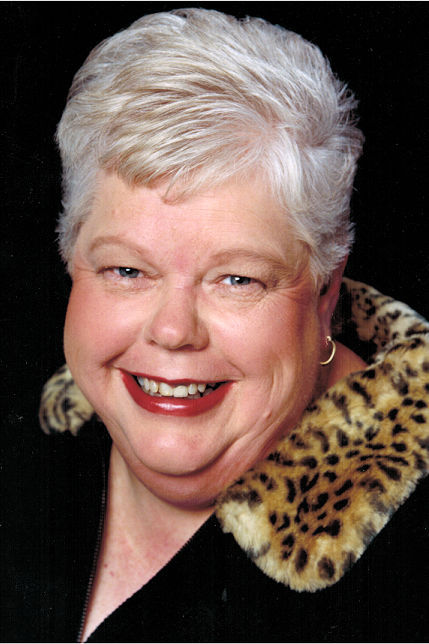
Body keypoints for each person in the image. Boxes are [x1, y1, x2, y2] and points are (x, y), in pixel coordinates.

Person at [2, 7, 428, 642]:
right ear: (72, 261)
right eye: (126, 270)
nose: (174, 331)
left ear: (324, 294)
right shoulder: (34, 441)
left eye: (237, 279)